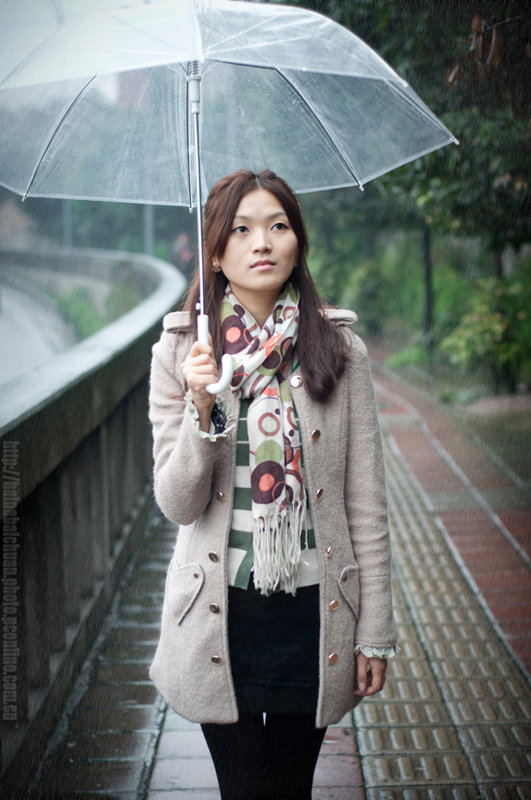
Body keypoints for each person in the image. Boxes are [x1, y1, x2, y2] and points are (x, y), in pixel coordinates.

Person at [148, 169, 397, 799]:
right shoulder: (181, 354)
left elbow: (365, 503)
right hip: (217, 618)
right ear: (215, 251)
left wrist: (377, 633)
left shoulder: (340, 349)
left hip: (313, 614)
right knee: (241, 790)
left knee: (290, 788)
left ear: (297, 242)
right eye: (241, 229)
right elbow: (177, 504)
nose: (262, 243)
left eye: (278, 226)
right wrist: (201, 407)